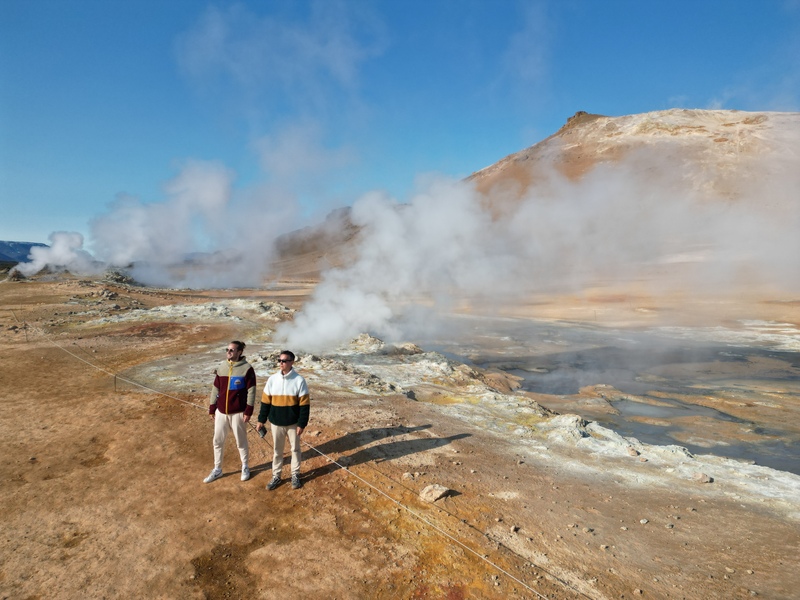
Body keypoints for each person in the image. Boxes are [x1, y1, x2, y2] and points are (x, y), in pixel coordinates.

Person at [203, 341, 257, 483]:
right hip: (221, 412)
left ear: (240, 352)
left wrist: (248, 411)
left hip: (238, 412)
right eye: (227, 349)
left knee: (241, 441)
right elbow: (216, 389)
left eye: (232, 350)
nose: (229, 352)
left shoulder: (247, 369)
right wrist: (212, 407)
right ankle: (217, 469)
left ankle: (245, 466)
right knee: (218, 441)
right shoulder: (222, 367)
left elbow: (251, 391)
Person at [256, 350, 310, 490]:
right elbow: (265, 402)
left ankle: (295, 475)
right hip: (276, 423)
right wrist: (261, 420)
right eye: (279, 360)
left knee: (295, 450)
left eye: (284, 361)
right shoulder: (272, 379)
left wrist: (302, 423)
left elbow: (304, 405)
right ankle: (276, 476)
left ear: (292, 362)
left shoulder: (299, 380)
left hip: (293, 424)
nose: (281, 363)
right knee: (277, 451)